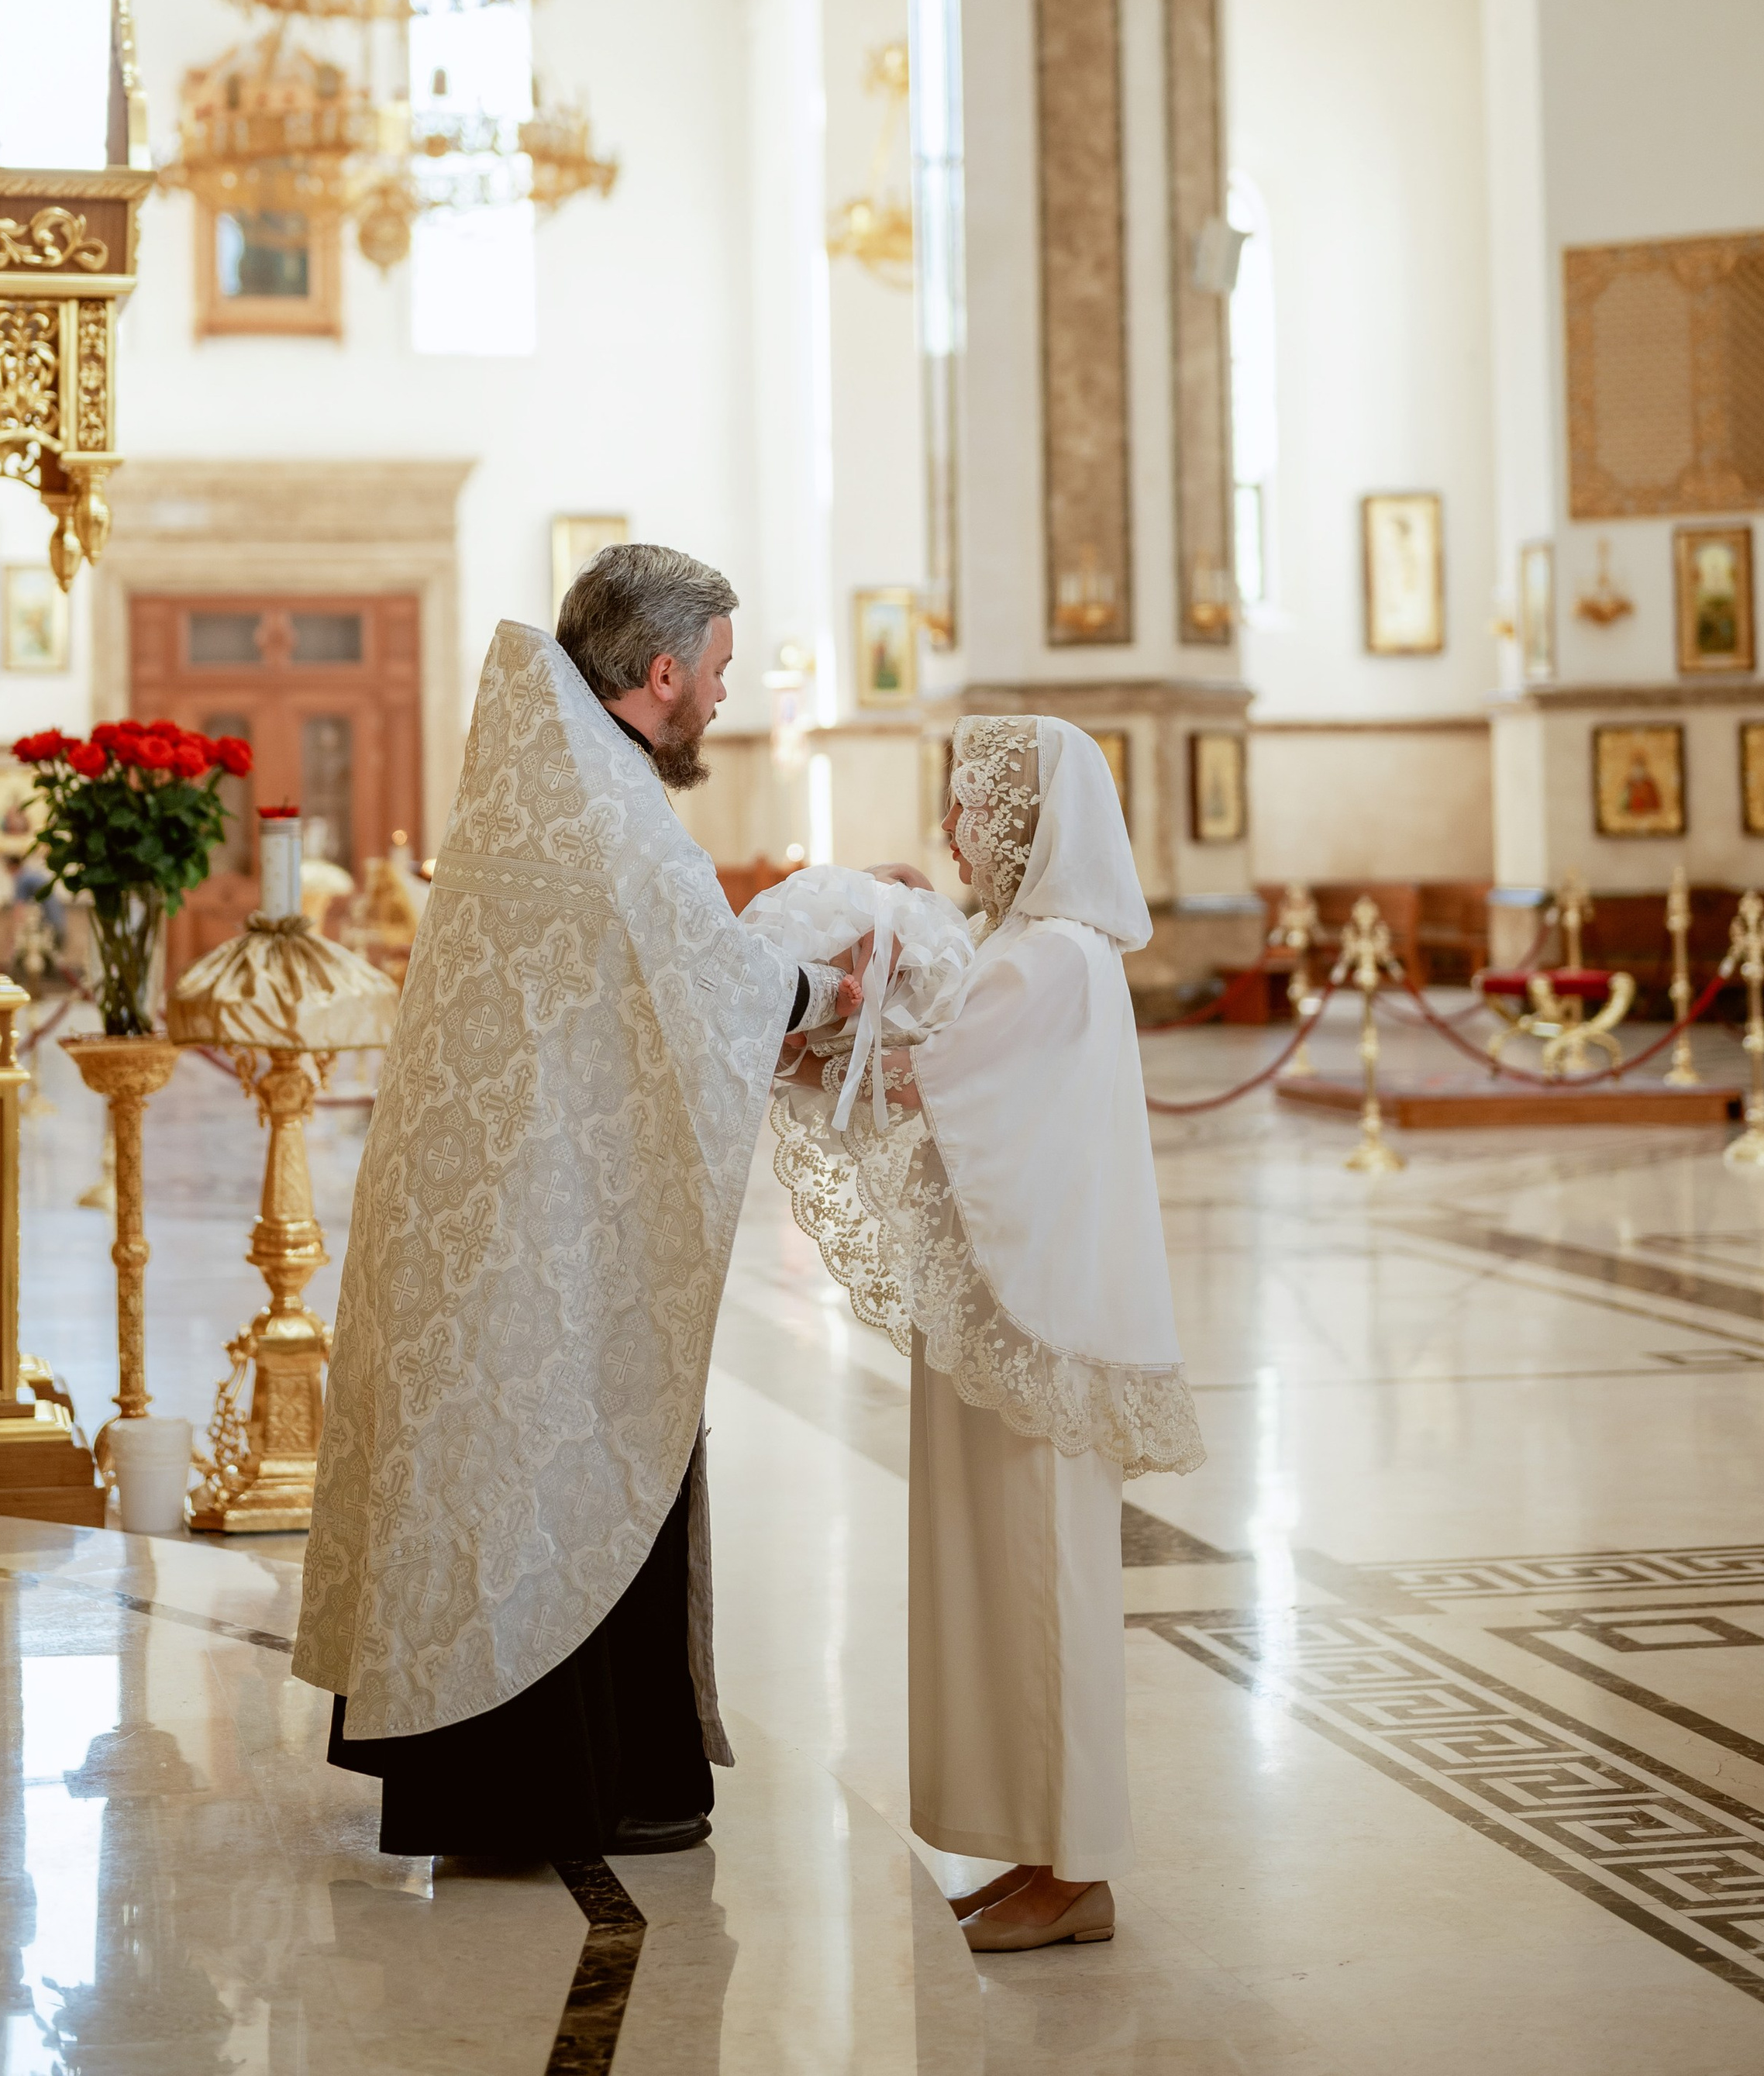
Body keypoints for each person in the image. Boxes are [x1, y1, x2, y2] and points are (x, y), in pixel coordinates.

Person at [294, 545, 856, 1861]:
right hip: (543, 1228)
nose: (723, 697)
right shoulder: (606, 807)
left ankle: (591, 1777)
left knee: (523, 1477)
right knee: (563, 1472)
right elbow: (717, 988)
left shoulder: (545, 780)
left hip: (512, 1211)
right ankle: (561, 1790)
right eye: (718, 672)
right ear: (661, 673)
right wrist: (842, 988)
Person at [777, 715, 1203, 1952]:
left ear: (1028, 818)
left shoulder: (1054, 957)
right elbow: (916, 1052)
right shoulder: (1021, 945)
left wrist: (847, 992)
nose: (959, 827)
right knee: (1000, 1581)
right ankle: (1035, 1851)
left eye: (975, 805)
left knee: (1041, 1583)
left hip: (1040, 1325)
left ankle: (1079, 1871)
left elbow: (913, 1072)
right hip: (999, 1311)